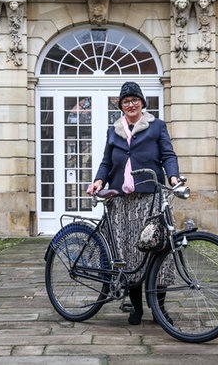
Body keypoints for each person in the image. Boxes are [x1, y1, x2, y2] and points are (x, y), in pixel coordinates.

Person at [86, 81, 180, 325]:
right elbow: (107, 162)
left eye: (134, 100)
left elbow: (168, 155)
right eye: (125, 101)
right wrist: (98, 180)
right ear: (120, 105)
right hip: (122, 202)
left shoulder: (156, 126)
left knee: (160, 252)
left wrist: (173, 176)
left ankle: (160, 310)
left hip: (151, 199)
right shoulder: (113, 130)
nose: (130, 104)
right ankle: (137, 309)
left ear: (142, 103)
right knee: (129, 257)